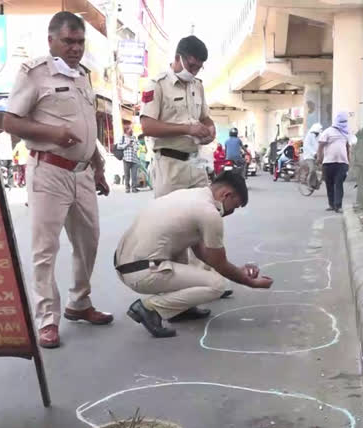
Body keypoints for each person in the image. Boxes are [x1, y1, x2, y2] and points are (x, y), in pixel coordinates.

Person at [2, 11, 113, 349]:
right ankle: (47, 320)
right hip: (48, 171)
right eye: (69, 41)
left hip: (82, 174)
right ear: (51, 41)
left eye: (80, 42)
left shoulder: (83, 76)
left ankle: (79, 302)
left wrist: (98, 167)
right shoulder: (34, 74)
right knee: (44, 250)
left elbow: (87, 130)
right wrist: (52, 132)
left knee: (89, 241)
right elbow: (10, 121)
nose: (75, 48)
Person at [115, 172, 274, 338]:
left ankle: (179, 310)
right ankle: (150, 308)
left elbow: (203, 254)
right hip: (141, 272)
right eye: (233, 207)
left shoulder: (190, 196)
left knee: (185, 256)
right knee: (216, 285)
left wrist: (238, 271)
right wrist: (250, 282)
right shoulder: (209, 213)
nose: (230, 213)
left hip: (127, 265)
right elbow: (218, 262)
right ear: (226, 195)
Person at [139, 35, 216, 198]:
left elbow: (204, 117)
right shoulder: (157, 84)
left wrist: (211, 129)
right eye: (191, 66)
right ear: (177, 58)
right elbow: (147, 126)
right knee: (170, 220)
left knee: (201, 215)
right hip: (169, 166)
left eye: (198, 68)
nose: (193, 72)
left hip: (196, 162)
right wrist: (187, 129)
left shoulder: (197, 85)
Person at [317, 112, 351, 213]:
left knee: (339, 183)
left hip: (342, 163)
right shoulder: (328, 132)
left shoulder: (346, 133)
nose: (343, 123)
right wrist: (319, 157)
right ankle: (331, 204)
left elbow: (348, 147)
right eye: (341, 121)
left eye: (345, 121)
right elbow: (321, 145)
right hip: (328, 163)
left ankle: (338, 206)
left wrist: (349, 161)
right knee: (330, 184)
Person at [120, 123, 140, 193]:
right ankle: (127, 188)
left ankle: (134, 188)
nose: (131, 130)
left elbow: (138, 147)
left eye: (131, 129)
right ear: (126, 130)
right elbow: (119, 146)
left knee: (134, 175)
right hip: (126, 159)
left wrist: (134, 145)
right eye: (130, 129)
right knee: (127, 175)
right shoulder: (122, 138)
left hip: (134, 159)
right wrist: (127, 144)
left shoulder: (134, 138)